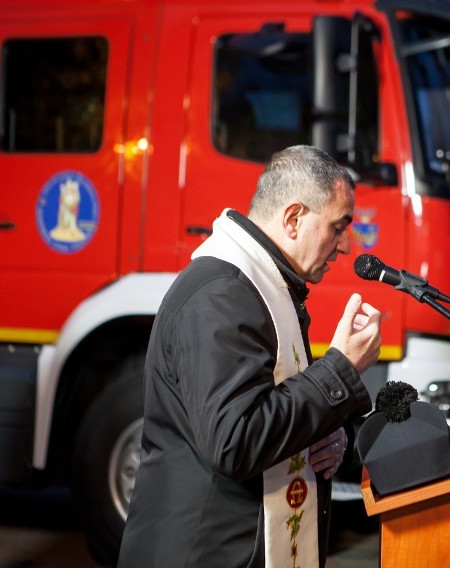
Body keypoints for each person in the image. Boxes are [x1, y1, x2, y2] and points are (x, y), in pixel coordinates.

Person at [118, 145, 381, 568]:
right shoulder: (222, 293)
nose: (346, 246)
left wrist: (337, 438)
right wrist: (340, 369)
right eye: (338, 227)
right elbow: (235, 441)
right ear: (294, 218)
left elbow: (278, 409)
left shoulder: (263, 284)